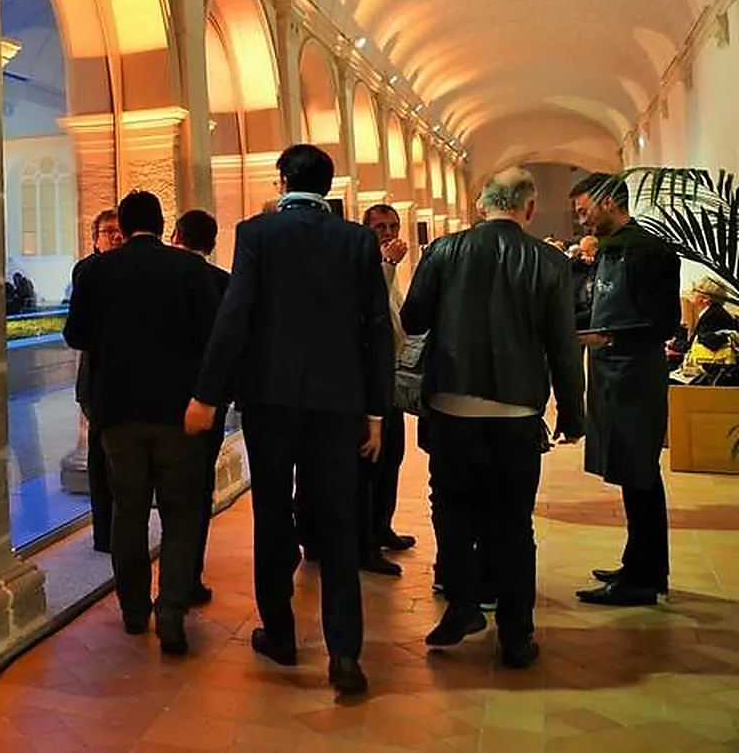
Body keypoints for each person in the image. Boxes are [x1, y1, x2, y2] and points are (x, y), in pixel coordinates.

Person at [187, 144, 392, 698]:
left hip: (271, 402)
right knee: (339, 522)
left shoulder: (256, 234)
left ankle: (280, 633)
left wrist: (207, 395)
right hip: (338, 404)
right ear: (328, 188)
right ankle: (345, 653)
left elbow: (234, 317)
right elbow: (377, 329)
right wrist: (377, 412)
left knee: (272, 512)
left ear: (282, 182)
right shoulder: (355, 241)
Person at [400, 167, 585, 668]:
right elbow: (563, 347)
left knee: (453, 511)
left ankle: (462, 606)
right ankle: (516, 633)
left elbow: (413, 318)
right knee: (513, 522)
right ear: (527, 208)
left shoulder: (444, 251)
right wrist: (572, 412)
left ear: (482, 204)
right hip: (518, 410)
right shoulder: (549, 262)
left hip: (451, 406)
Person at [64, 191, 220, 656]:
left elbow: (75, 334)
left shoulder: (95, 271)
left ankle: (135, 612)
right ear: (161, 223)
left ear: (125, 226)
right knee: (180, 512)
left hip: (117, 414)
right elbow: (214, 338)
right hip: (178, 413)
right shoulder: (190, 270)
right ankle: (171, 612)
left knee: (127, 513)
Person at [570, 172, 682, 606]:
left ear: (610, 203)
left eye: (585, 212)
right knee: (632, 476)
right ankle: (641, 565)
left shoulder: (648, 251)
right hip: (612, 372)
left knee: (640, 474)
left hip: (635, 374)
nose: (581, 222)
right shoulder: (610, 251)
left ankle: (643, 577)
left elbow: (663, 321)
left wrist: (610, 337)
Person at [170, 208, 231, 606]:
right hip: (207, 399)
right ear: (212, 244)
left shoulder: (159, 277)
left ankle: (142, 595)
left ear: (175, 235)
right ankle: (187, 577)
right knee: (197, 490)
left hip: (161, 400)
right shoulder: (224, 283)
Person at [358, 204, 415, 577]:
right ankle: (365, 542)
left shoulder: (390, 271)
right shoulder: (366, 266)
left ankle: (383, 526)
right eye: (380, 226)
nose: (388, 232)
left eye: (393, 225)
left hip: (390, 378)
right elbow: (373, 318)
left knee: (392, 457)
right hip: (367, 384)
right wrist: (387, 265)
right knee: (370, 467)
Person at [72, 208, 124, 553]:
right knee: (99, 461)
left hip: (130, 384)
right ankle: (104, 533)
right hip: (98, 384)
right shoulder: (88, 270)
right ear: (95, 239)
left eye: (121, 231)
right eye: (108, 232)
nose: (116, 236)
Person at [666, 276, 737, 369]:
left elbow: (703, 343)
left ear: (706, 298)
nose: (691, 292)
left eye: (695, 290)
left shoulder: (714, 316)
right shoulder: (712, 312)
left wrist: (673, 344)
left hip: (713, 369)